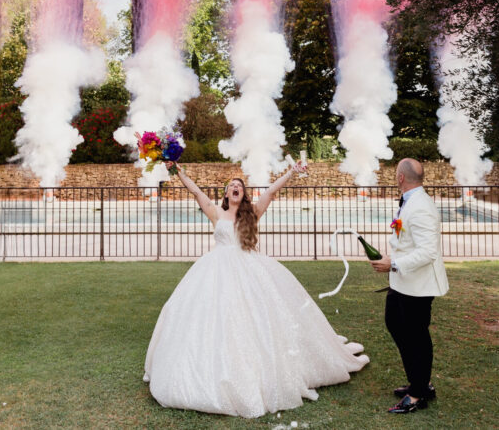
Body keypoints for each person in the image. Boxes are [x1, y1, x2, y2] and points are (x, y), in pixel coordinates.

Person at [143, 161, 369, 418]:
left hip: (248, 269)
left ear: (243, 193)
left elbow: (271, 192)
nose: (236, 187)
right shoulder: (216, 212)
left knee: (254, 317)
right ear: (226, 193)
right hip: (215, 271)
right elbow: (196, 192)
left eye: (239, 185)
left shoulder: (252, 214)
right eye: (232, 186)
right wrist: (177, 171)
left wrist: (291, 172)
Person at [370, 158, 449, 414]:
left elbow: (428, 252)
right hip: (403, 282)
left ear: (400, 178)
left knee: (416, 336)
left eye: (395, 174)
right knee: (394, 323)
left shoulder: (421, 206)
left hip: (418, 285)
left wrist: (392, 263)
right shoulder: (410, 200)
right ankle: (419, 381)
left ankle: (418, 393)